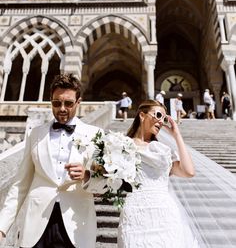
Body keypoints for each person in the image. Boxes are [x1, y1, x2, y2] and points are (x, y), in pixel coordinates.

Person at [0, 73, 105, 248]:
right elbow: (20, 185)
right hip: (36, 225)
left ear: (78, 102)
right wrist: (2, 227)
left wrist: (87, 175)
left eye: (68, 103)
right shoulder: (35, 134)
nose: (62, 108)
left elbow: (105, 185)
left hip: (75, 226)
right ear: (50, 101)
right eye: (57, 103)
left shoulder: (95, 134)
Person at [117, 100, 198, 248]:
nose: (161, 121)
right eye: (159, 115)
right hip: (135, 215)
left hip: (165, 215)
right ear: (142, 115)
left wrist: (177, 135)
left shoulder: (162, 150)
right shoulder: (119, 144)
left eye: (164, 118)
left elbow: (188, 171)